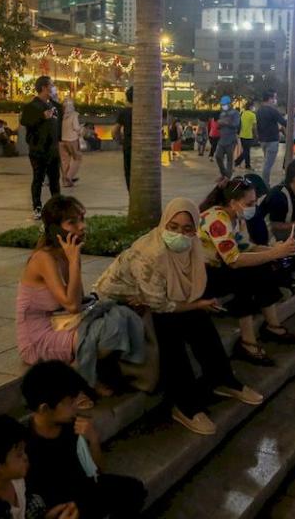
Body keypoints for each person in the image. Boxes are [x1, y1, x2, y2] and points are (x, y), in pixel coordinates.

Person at [95, 198, 264, 436]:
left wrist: (198, 305)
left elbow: (181, 292)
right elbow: (161, 306)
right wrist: (198, 304)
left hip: (153, 300)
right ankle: (185, 404)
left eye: (187, 229)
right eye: (172, 227)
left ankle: (222, 379)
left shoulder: (192, 246)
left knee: (198, 320)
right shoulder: (150, 254)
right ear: (164, 223)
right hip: (121, 304)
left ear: (195, 228)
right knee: (170, 326)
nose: (179, 234)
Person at [16, 195, 144, 393]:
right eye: (72, 222)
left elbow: (79, 300)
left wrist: (73, 261)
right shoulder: (44, 258)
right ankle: (81, 379)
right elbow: (72, 305)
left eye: (82, 219)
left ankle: (99, 371)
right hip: (38, 337)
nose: (82, 226)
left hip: (62, 324)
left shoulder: (66, 254)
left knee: (122, 315)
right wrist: (74, 261)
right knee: (108, 330)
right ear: (55, 228)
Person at [20, 362, 146, 518]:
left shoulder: (72, 426)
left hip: (82, 492)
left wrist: (93, 440)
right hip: (56, 505)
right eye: (70, 402)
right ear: (45, 408)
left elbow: (97, 472)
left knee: (134, 490)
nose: (76, 407)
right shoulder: (22, 442)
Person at [199, 177, 295, 366]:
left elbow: (247, 247)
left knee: (262, 265)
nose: (253, 207)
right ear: (233, 203)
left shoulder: (235, 218)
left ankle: (272, 325)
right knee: (245, 273)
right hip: (202, 276)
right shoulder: (217, 218)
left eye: (254, 202)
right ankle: (247, 341)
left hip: (219, 269)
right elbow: (234, 260)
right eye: (250, 203)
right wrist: (274, 253)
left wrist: (277, 249)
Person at [21, 76, 63, 219]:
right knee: (38, 178)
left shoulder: (56, 107)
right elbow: (25, 122)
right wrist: (41, 117)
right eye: (51, 85)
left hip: (53, 150)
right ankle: (37, 207)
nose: (53, 88)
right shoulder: (31, 106)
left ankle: (57, 207)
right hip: (38, 150)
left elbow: (59, 128)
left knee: (54, 179)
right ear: (44, 87)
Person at [255, 91, 287, 186]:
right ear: (270, 99)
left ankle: (265, 183)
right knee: (268, 165)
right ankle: (265, 184)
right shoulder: (273, 111)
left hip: (263, 140)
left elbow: (258, 125)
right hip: (272, 140)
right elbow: (284, 122)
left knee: (267, 162)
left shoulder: (259, 111)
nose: (275, 100)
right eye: (274, 98)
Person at [214, 96, 240, 178]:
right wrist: (219, 124)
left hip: (231, 139)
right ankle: (223, 173)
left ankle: (228, 176)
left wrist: (226, 123)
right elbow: (219, 125)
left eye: (225, 104)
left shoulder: (235, 113)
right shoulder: (222, 114)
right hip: (222, 139)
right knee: (218, 156)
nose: (223, 106)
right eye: (222, 104)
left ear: (229, 104)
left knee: (229, 158)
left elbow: (236, 124)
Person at [60, 97, 83, 188]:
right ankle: (69, 177)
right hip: (72, 139)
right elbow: (76, 127)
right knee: (77, 158)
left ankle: (65, 181)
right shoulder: (74, 115)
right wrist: (81, 128)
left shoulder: (61, 115)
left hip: (62, 140)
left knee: (65, 161)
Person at [113, 87, 133, 189]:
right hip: (143, 148)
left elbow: (114, 131)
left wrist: (121, 141)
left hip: (128, 146)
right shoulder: (145, 113)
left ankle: (131, 194)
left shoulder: (124, 112)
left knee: (129, 172)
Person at [235, 100, 257, 170]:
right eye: (253, 106)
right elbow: (254, 127)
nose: (254, 107)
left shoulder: (242, 113)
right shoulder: (253, 115)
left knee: (246, 150)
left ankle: (248, 165)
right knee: (246, 151)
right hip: (249, 135)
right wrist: (255, 135)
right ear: (251, 107)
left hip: (242, 135)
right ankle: (237, 162)